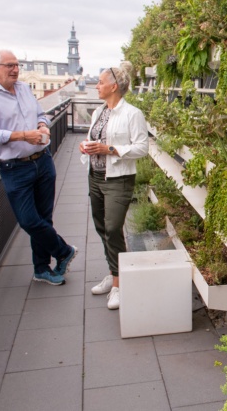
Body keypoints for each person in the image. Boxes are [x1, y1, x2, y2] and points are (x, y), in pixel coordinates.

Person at [0, 49, 77, 285]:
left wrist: (43, 126)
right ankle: (63, 251)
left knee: (44, 219)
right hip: (15, 167)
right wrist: (22, 136)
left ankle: (42, 269)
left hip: (42, 159)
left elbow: (42, 114)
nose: (15, 69)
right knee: (29, 221)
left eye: (17, 65)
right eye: (9, 65)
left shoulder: (23, 88)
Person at [81, 61, 149, 309]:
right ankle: (114, 274)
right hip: (96, 177)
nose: (96, 86)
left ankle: (120, 285)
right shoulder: (99, 112)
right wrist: (86, 146)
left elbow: (142, 148)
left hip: (118, 179)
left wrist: (109, 149)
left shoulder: (132, 114)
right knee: (102, 228)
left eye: (100, 82)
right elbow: (93, 139)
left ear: (114, 86)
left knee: (112, 228)